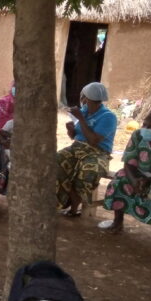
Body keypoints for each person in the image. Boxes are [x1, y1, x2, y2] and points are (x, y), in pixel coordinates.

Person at [101, 110, 151, 248]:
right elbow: (129, 162)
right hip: (139, 175)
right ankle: (117, 222)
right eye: (145, 125)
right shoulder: (138, 135)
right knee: (120, 180)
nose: (146, 129)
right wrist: (134, 182)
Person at [56, 81, 117, 216]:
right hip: (76, 148)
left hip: (98, 152)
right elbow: (76, 137)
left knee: (88, 171)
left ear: (87, 98)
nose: (81, 100)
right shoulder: (83, 111)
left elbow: (94, 141)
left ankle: (74, 207)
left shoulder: (108, 117)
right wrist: (71, 131)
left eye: (83, 97)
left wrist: (81, 119)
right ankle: (60, 201)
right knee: (55, 161)